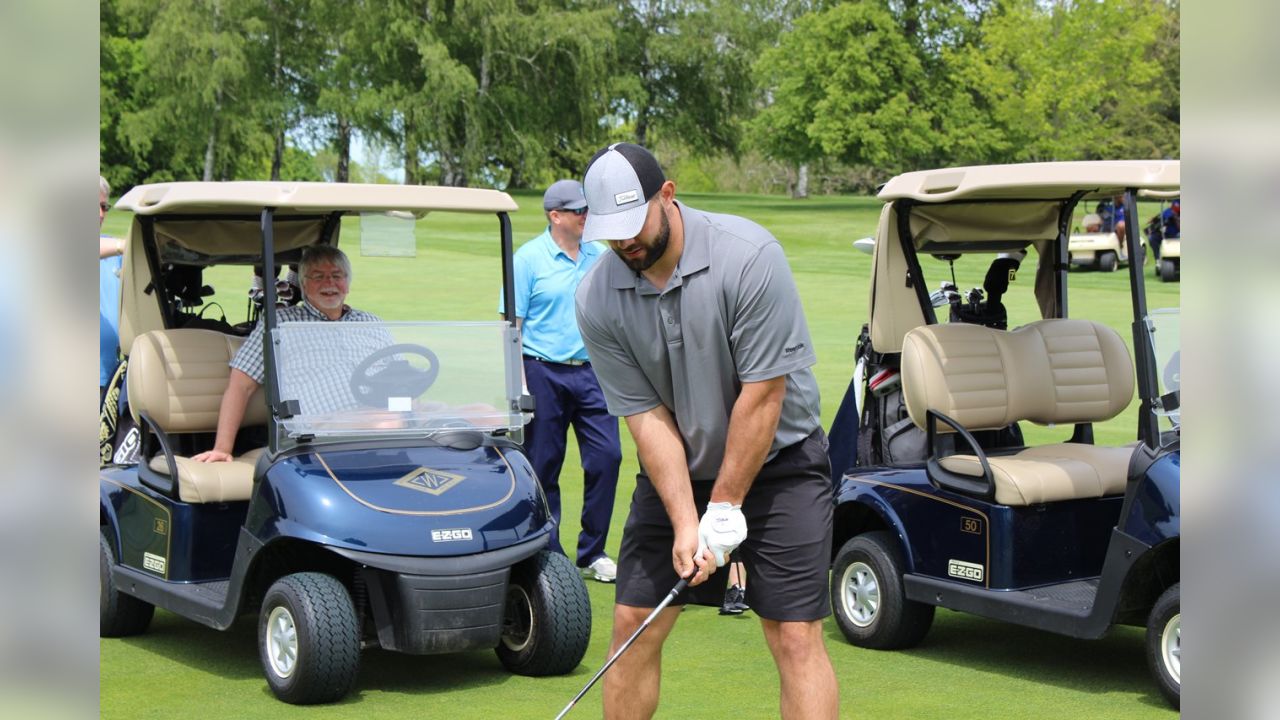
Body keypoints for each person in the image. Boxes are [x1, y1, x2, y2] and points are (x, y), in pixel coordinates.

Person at [574, 143, 839, 719]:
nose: (624, 243)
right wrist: (685, 519)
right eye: (610, 233)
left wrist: (724, 508)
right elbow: (645, 415)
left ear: (667, 195)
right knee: (631, 627)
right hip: (679, 468)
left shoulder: (748, 257)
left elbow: (764, 393)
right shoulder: (596, 296)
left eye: (633, 223)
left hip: (782, 464)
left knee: (794, 634)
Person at [508, 179, 623, 583]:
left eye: (587, 210)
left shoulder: (600, 257)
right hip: (542, 371)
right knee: (544, 464)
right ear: (555, 216)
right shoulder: (528, 260)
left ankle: (593, 550)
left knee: (608, 458)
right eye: (579, 211)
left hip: (593, 372)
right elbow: (512, 328)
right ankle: (550, 552)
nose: (586, 217)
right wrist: (519, 386)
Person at [193, 245, 381, 463]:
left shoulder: (370, 323)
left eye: (336, 276)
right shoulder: (282, 323)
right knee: (389, 422)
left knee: (420, 415)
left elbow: (401, 378)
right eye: (318, 277)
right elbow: (240, 385)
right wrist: (222, 448)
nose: (329, 283)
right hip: (316, 433)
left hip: (374, 423)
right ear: (303, 284)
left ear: (347, 283)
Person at [99, 175, 126, 406]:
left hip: (109, 376)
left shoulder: (113, 251)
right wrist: (122, 245)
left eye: (104, 207)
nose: (100, 214)